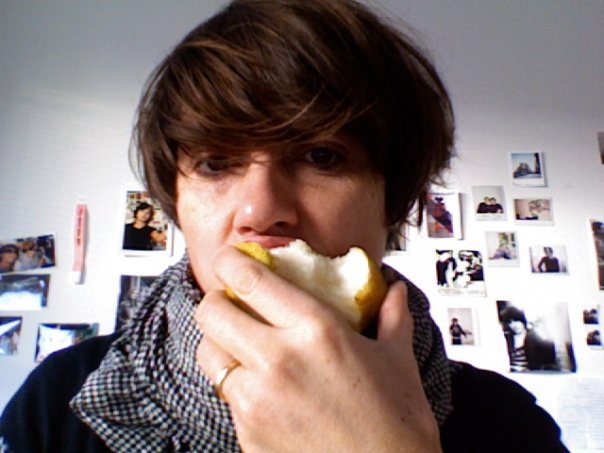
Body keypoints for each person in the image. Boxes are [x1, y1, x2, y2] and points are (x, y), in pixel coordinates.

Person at [0, 1, 570, 452]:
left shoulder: (508, 426)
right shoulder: (59, 403)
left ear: (391, 203)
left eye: (322, 157)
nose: (260, 210)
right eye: (215, 163)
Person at [499, 306, 558, 372]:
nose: (514, 325)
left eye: (516, 321)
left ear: (522, 320)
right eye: (510, 322)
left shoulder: (534, 337)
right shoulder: (507, 338)